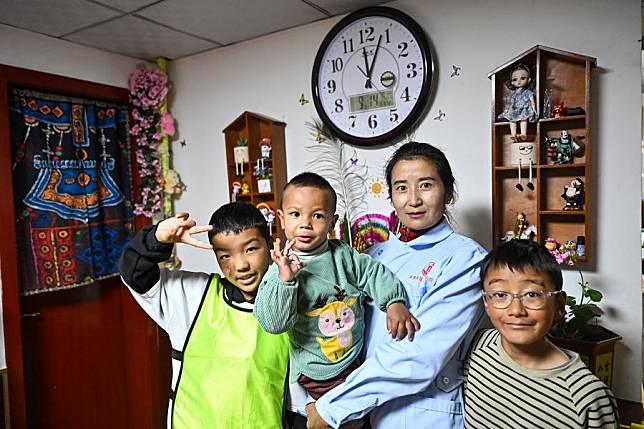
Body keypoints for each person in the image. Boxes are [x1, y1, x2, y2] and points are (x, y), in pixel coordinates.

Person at [307, 142, 488, 429]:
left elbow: (421, 354)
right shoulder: (372, 256)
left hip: (419, 415)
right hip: (358, 414)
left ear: (448, 192)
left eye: (426, 185)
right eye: (401, 188)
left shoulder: (466, 259)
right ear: (391, 196)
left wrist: (336, 406)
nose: (413, 199)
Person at [119, 203, 292, 429]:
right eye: (225, 256)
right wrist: (158, 237)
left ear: (269, 245)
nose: (241, 265)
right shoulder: (194, 295)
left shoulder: (289, 301)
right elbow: (135, 274)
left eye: (250, 249)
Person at [254, 172, 420, 402]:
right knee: (344, 414)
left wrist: (394, 302)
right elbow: (273, 323)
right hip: (316, 370)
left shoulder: (343, 255)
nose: (305, 224)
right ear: (282, 219)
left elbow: (372, 273)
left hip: (353, 359)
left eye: (318, 216)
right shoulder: (280, 266)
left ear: (332, 222)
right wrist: (286, 280)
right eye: (295, 214)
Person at [464, 239, 619, 428]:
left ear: (559, 305)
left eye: (532, 294)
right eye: (500, 294)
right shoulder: (477, 347)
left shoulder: (587, 397)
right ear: (486, 303)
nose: (516, 310)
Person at [497, 63, 537, 142]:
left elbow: (532, 100)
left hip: (524, 108)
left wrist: (534, 108)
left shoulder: (527, 92)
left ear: (528, 80)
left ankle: (523, 133)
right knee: (512, 119)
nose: (518, 81)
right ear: (512, 82)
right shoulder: (515, 94)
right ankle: (513, 133)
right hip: (515, 109)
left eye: (522, 78)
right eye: (515, 79)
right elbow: (512, 102)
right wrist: (510, 109)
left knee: (523, 119)